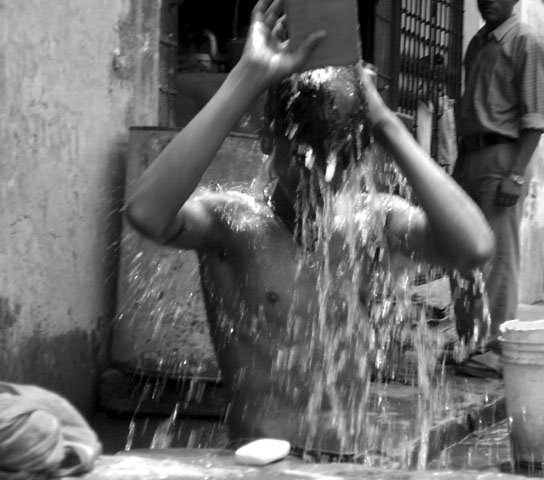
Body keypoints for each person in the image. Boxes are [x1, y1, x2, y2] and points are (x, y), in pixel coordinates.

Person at [125, 0, 494, 454]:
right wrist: (246, 79)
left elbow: (474, 247)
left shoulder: (373, 219)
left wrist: (382, 122)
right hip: (263, 460)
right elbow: (146, 213)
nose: (320, 180)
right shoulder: (234, 226)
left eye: (337, 163)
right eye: (301, 161)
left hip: (351, 458)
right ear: (267, 141)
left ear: (358, 157)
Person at [451, 0, 544, 377]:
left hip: (502, 157)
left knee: (498, 256)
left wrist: (517, 174)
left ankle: (496, 348)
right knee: (461, 251)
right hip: (469, 156)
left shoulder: (527, 42)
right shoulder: (477, 43)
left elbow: (536, 119)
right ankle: (471, 340)